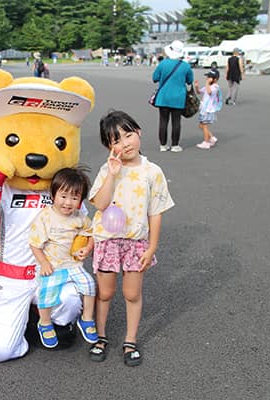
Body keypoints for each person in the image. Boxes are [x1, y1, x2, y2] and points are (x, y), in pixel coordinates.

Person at [88, 110, 174, 366]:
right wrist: (112, 174)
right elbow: (101, 205)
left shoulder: (152, 171)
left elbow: (155, 212)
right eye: (116, 140)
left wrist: (152, 246)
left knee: (132, 294)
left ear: (139, 133)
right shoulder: (107, 169)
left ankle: (130, 340)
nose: (125, 143)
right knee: (104, 293)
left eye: (128, 134)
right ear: (108, 146)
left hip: (136, 243)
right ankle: (100, 337)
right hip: (107, 241)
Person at [29, 167, 98, 348]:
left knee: (90, 285)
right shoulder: (45, 217)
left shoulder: (80, 217)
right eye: (63, 196)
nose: (68, 203)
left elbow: (90, 234)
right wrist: (43, 263)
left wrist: (88, 248)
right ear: (53, 194)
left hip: (73, 265)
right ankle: (44, 323)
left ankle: (87, 319)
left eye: (74, 198)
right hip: (52, 265)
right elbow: (35, 244)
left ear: (80, 201)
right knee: (47, 294)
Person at [152, 40, 193, 152]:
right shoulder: (185, 66)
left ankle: (163, 145)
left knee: (163, 121)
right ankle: (175, 145)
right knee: (176, 122)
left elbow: (155, 78)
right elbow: (190, 81)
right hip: (178, 97)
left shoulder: (163, 64)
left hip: (163, 97)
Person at [194, 69, 222, 149]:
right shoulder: (208, 86)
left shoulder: (215, 87)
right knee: (201, 125)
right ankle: (211, 138)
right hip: (204, 109)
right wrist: (197, 87)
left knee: (205, 126)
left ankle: (206, 142)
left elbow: (210, 92)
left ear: (215, 79)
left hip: (208, 110)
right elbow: (199, 92)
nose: (207, 78)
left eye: (210, 77)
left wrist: (207, 83)